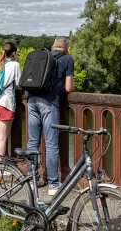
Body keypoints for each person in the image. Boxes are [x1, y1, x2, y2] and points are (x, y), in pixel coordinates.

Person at [26, 36, 74, 196]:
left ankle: (32, 180)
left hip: (31, 100)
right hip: (49, 102)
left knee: (33, 141)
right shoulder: (67, 59)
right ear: (67, 48)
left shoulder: (43, 56)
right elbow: (68, 87)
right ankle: (53, 184)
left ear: (54, 46)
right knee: (51, 143)